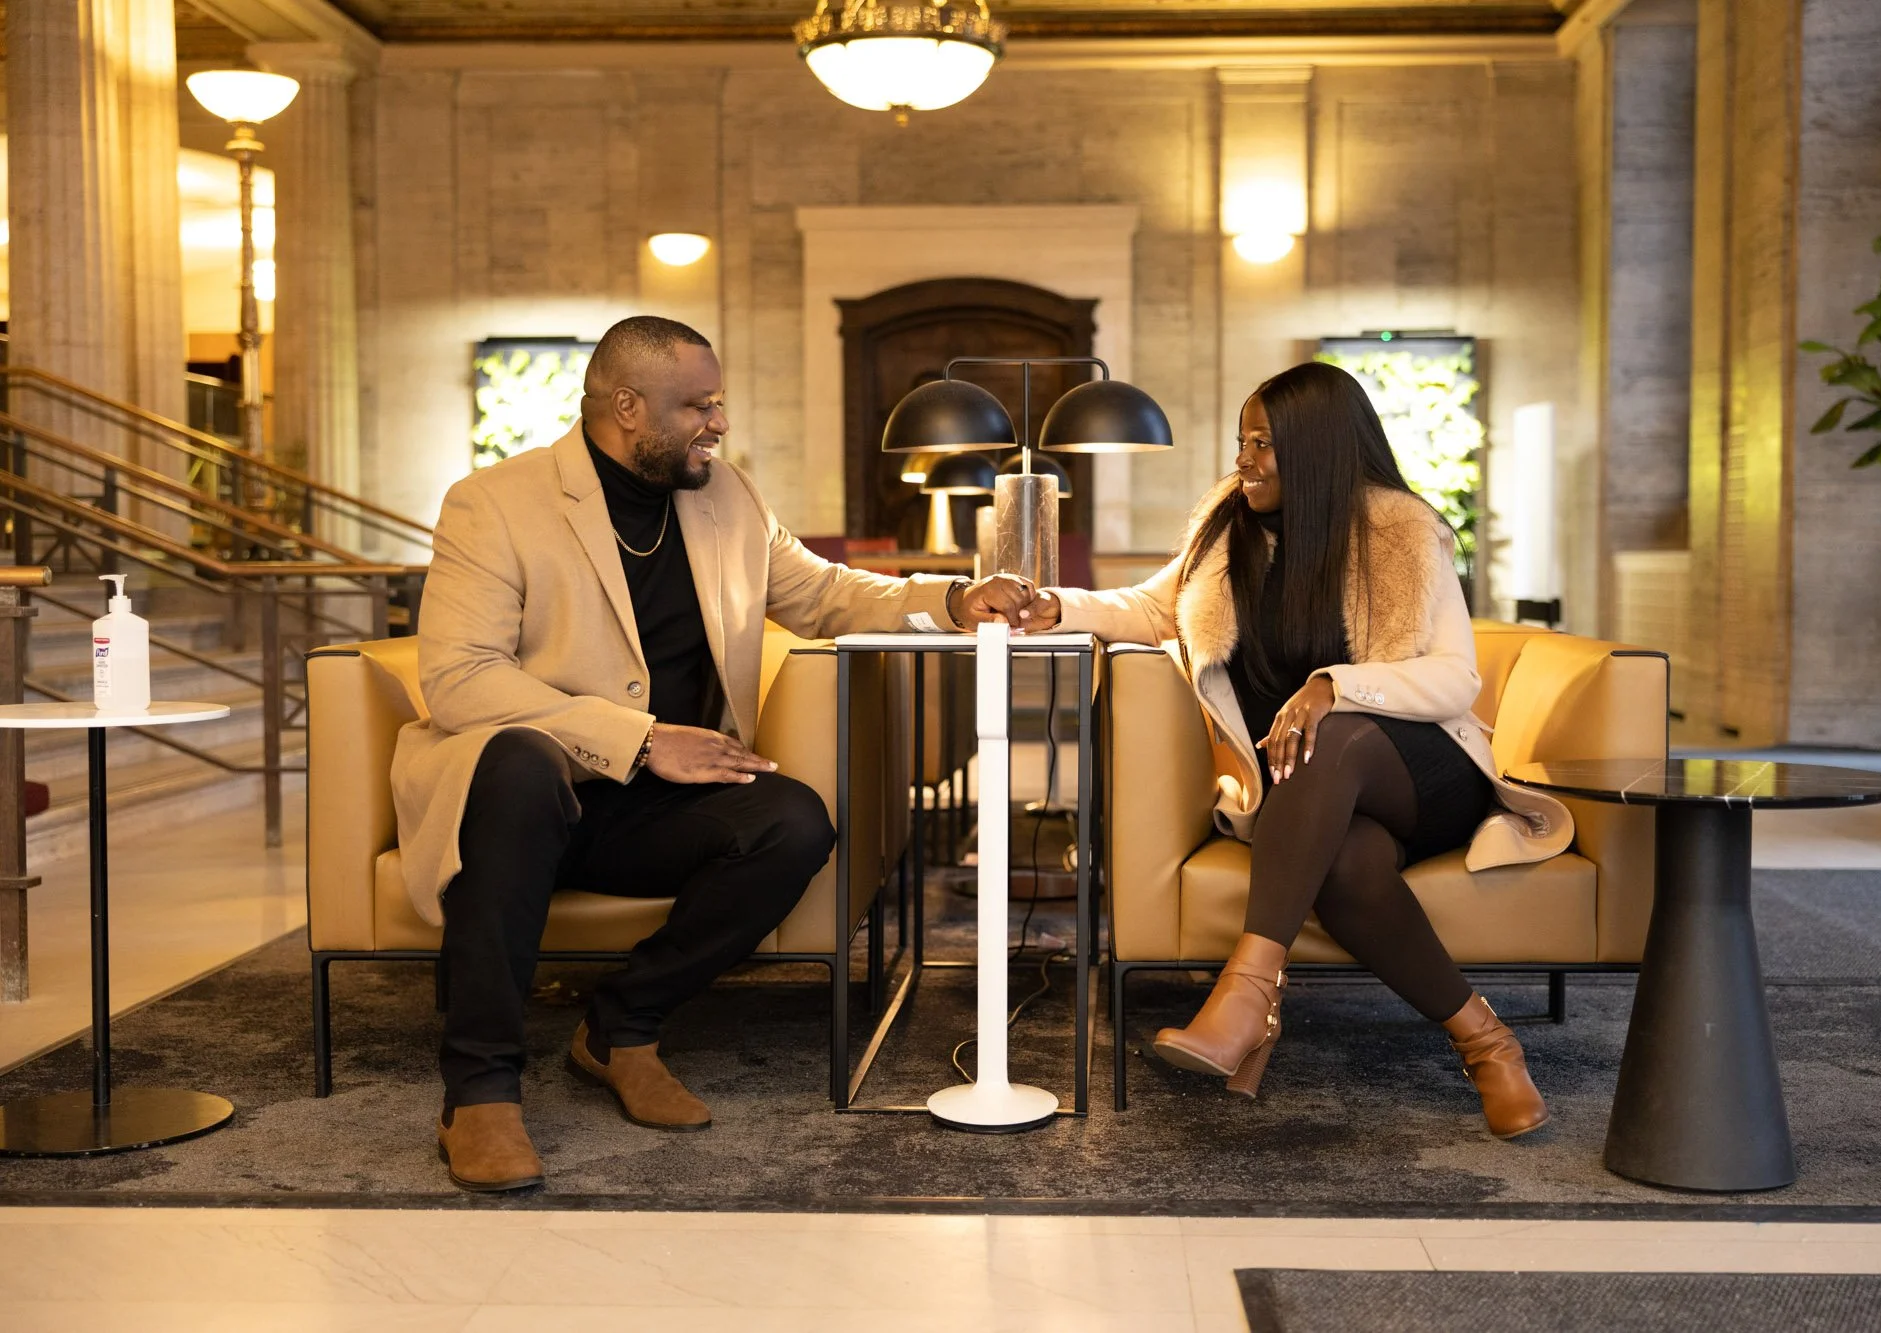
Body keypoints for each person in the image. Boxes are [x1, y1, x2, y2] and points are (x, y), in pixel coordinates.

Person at [393, 316, 1037, 1191]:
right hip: (527, 801)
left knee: (792, 822)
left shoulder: (726, 496)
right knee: (518, 763)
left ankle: (622, 1026)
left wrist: (956, 599)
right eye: (699, 405)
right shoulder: (495, 503)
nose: (719, 422)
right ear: (627, 407)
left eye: (719, 402)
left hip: (653, 810)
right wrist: (642, 738)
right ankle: (478, 1090)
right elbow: (461, 678)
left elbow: (822, 593)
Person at [1008, 361, 1573, 1138]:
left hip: (1421, 773)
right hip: (1309, 795)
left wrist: (1334, 685)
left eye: (1262, 443)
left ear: (1316, 447)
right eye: (1242, 441)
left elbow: (1455, 678)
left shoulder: (1402, 534)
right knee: (1344, 864)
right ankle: (1488, 1042)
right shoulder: (1227, 533)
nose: (1243, 459)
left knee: (1328, 734)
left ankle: (1247, 995)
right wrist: (1055, 606)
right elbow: (1152, 608)